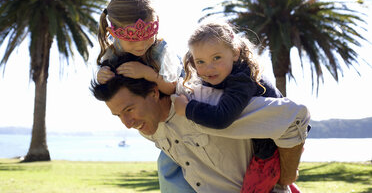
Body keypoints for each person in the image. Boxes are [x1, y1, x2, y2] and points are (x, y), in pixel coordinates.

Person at [90, 54, 311, 193]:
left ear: (154, 92)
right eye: (118, 115)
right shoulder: (149, 127)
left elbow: (294, 117)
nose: (127, 124)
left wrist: (287, 176)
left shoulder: (205, 104)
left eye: (128, 110)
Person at [173, 22, 300, 192]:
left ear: (235, 53)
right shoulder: (220, 74)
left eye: (216, 58)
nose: (208, 68)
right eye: (200, 61)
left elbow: (222, 118)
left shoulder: (242, 79)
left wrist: (188, 109)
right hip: (261, 146)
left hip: (271, 150)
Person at [96, 0, 194, 192]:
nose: (140, 45)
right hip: (161, 123)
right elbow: (108, 84)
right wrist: (102, 75)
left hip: (178, 105)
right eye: (132, 40)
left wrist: (149, 74)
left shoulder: (160, 51)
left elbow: (173, 87)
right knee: (167, 168)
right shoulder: (113, 52)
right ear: (114, 33)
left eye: (147, 36)